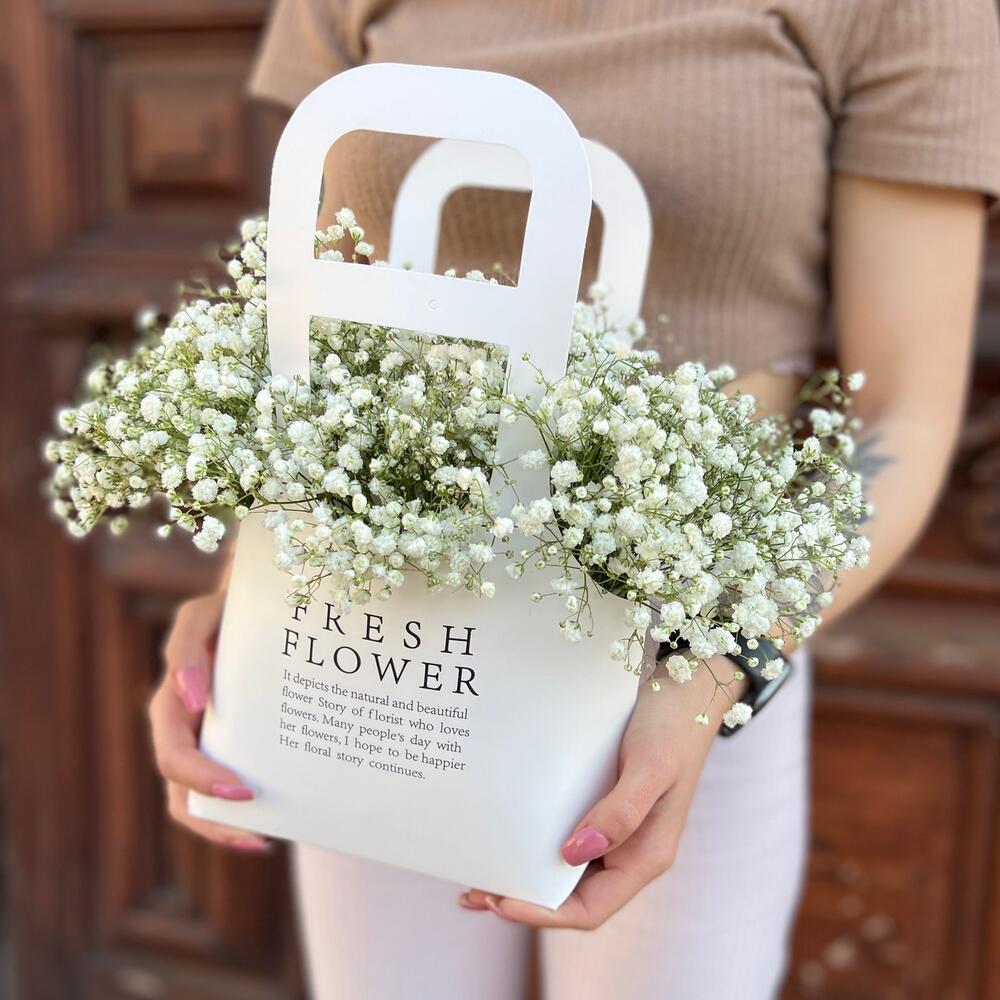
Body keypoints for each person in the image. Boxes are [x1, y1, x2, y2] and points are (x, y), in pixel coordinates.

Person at [147, 2, 1000, 997]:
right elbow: (327, 329)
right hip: (377, 644)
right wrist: (254, 596)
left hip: (683, 672)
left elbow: (898, 414)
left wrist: (721, 667)